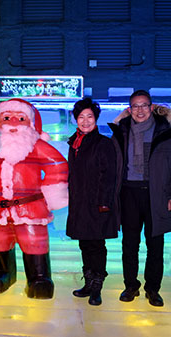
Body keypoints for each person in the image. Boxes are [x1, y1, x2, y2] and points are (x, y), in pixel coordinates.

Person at [0, 98, 68, 299]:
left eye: (20, 118)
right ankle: (1, 274)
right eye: (7, 117)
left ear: (29, 123)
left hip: (29, 208)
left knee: (34, 242)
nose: (13, 122)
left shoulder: (36, 145)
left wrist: (53, 191)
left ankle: (38, 278)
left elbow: (58, 165)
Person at [109, 90, 171, 307]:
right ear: (129, 109)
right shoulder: (121, 131)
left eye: (144, 105)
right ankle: (130, 286)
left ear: (152, 107)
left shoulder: (168, 132)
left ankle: (153, 289)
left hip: (157, 195)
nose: (140, 110)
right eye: (135, 106)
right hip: (128, 193)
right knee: (129, 244)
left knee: (155, 245)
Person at [66, 98, 120, 306]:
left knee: (97, 245)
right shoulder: (75, 143)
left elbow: (109, 176)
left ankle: (97, 287)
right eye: (81, 117)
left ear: (96, 119)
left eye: (89, 117)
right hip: (80, 203)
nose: (85, 121)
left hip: (98, 204)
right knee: (84, 244)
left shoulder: (104, 143)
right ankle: (88, 283)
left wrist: (104, 203)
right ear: (75, 120)